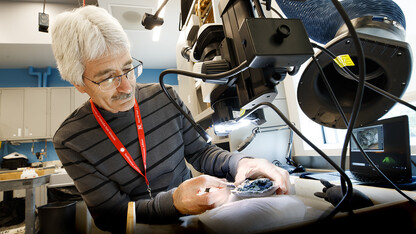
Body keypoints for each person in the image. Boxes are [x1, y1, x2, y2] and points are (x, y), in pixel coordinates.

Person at [51, 5, 290, 233]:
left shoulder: (163, 96)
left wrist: (240, 164)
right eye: (107, 78)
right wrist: (174, 203)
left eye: (127, 68)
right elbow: (111, 216)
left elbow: (201, 152)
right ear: (79, 84)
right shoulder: (70, 140)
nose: (126, 87)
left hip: (197, 222)